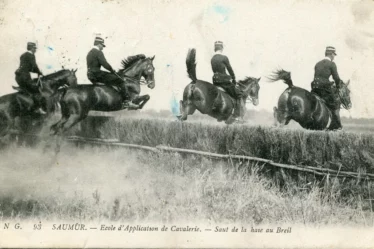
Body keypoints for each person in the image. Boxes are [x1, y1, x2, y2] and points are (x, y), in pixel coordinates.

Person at [86, 37, 138, 108]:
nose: (102, 47)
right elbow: (104, 63)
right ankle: (126, 101)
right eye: (102, 45)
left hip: (90, 75)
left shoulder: (89, 53)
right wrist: (112, 70)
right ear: (98, 44)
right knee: (121, 81)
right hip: (97, 74)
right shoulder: (98, 52)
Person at [311, 46, 343, 130]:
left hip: (314, 87)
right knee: (335, 104)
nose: (334, 57)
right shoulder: (332, 64)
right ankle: (337, 126)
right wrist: (338, 85)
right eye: (334, 55)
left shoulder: (317, 63)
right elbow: (336, 78)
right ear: (331, 54)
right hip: (324, 88)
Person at [211, 41, 243, 121]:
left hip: (215, 81)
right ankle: (237, 116)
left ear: (215, 48)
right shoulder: (224, 57)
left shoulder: (212, 58)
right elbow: (229, 69)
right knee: (238, 94)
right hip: (223, 81)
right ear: (222, 48)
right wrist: (233, 78)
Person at [14, 42, 46, 114]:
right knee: (36, 90)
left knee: (27, 90)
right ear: (31, 48)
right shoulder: (31, 55)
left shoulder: (23, 55)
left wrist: (35, 71)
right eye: (35, 48)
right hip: (25, 76)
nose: (35, 50)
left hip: (18, 77)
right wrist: (39, 72)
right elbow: (34, 66)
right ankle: (38, 108)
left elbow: (27, 67)